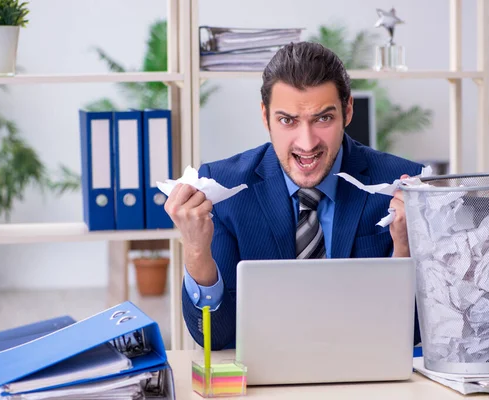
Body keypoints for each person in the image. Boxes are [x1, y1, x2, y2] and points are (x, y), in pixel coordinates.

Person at [165, 41, 423, 350]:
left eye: (323, 118)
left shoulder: (403, 186)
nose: (307, 142)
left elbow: (417, 334)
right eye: (288, 120)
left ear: (348, 110)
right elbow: (215, 337)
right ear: (266, 117)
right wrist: (195, 250)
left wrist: (404, 248)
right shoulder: (225, 189)